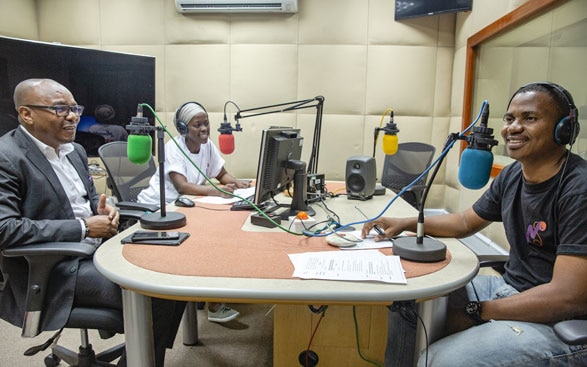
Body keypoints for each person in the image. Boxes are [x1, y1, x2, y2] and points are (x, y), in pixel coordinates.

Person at [362, 82, 587, 367]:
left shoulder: (578, 189)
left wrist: (477, 310)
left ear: (563, 129)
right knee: (411, 300)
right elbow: (465, 221)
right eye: (510, 119)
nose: (513, 128)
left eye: (529, 118)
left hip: (561, 324)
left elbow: (567, 298)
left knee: (441, 361)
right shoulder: (513, 175)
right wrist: (406, 222)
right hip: (509, 290)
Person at [0, 78, 185, 367]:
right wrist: (85, 227)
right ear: (27, 114)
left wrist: (107, 209)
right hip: (53, 268)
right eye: (61, 109)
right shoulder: (6, 157)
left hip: (96, 248)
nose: (73, 116)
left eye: (74, 108)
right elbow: (5, 230)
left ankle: (141, 359)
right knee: (157, 287)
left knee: (176, 270)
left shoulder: (73, 151)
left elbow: (83, 201)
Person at [138, 101, 249, 323]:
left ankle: (212, 294)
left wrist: (237, 184)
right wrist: (218, 192)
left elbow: (221, 173)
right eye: (197, 125)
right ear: (182, 128)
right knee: (212, 240)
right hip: (160, 208)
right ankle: (214, 302)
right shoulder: (173, 148)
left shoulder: (207, 145)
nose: (204, 129)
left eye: (206, 123)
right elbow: (183, 186)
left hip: (187, 206)